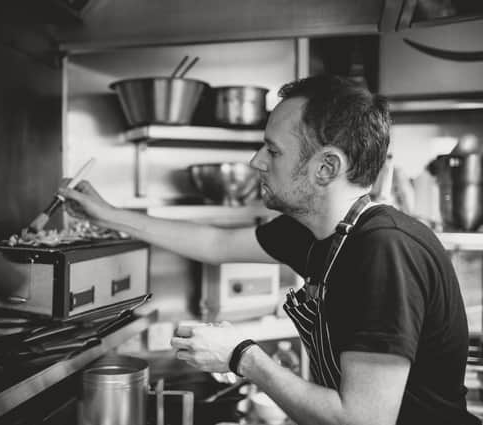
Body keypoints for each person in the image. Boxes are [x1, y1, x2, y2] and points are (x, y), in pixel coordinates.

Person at [59, 75, 480, 425]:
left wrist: (243, 356)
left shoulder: (385, 250)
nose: (257, 161)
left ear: (326, 168)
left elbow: (362, 421)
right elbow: (215, 243)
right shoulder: (318, 232)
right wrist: (107, 214)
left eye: (273, 150)